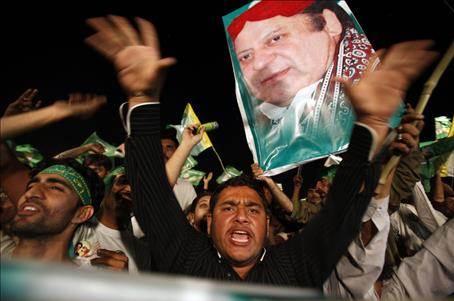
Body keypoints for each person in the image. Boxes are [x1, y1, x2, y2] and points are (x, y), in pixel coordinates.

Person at [85, 15, 437, 286]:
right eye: (228, 207)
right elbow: (151, 196)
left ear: (268, 222)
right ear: (208, 224)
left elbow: (339, 212)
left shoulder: (295, 267)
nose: (241, 215)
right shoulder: (187, 260)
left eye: (252, 208)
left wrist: (371, 127)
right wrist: (144, 101)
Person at [227, 0, 376, 171]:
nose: (259, 64)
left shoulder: (378, 88)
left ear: (330, 23)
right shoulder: (271, 124)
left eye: (275, 38)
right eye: (245, 57)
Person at [0, 159, 103, 263]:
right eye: (30, 187)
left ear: (82, 214)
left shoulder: (84, 279)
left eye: (54, 188)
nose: (31, 193)